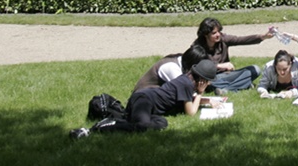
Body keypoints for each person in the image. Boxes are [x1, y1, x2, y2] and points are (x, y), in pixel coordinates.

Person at [70, 59, 221, 138]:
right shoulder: (186, 85)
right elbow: (190, 112)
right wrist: (201, 93)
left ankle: (120, 121)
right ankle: (95, 129)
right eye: (208, 82)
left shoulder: (186, 81)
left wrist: (208, 101)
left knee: (162, 123)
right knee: (141, 127)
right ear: (202, 80)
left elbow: (186, 101)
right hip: (144, 100)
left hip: (146, 103)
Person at [183, 17, 273, 92]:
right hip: (210, 78)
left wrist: (263, 37)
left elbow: (242, 40)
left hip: (227, 74)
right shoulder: (197, 46)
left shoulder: (223, 39)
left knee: (255, 70)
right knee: (209, 83)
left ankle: (228, 88)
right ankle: (242, 85)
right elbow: (194, 66)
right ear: (206, 35)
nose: (218, 35)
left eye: (219, 31)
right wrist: (219, 66)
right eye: (214, 33)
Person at [131, 46, 209, 93]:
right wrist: (199, 92)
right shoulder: (172, 68)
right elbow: (184, 92)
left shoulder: (182, 60)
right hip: (143, 96)